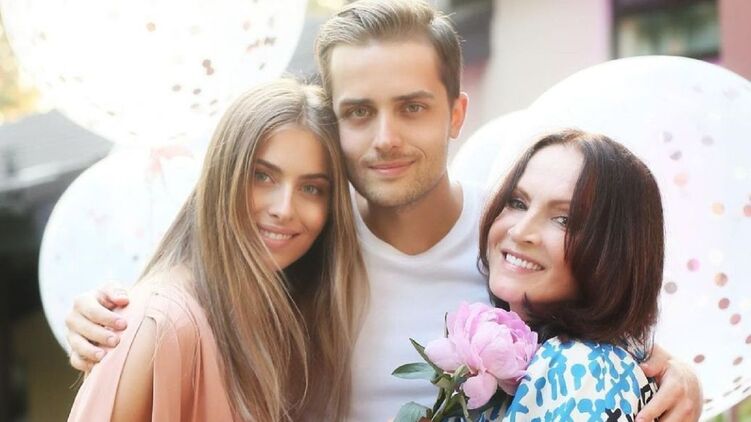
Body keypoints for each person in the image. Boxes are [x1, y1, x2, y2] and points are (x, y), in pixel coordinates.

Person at [63, 1, 702, 421]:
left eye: (412, 108)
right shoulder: (298, 239)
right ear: (332, 121)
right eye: (359, 112)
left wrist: (672, 372)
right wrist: (108, 320)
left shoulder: (506, 246)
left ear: (456, 113)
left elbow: (594, 324)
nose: (385, 138)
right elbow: (194, 292)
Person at [67, 79, 368, 422]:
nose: (285, 208)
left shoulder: (283, 323)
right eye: (263, 176)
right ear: (222, 176)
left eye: (311, 188)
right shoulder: (161, 325)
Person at [476, 129, 663, 420]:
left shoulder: (585, 369)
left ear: (616, 251)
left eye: (564, 220)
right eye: (518, 203)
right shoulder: (537, 354)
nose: (521, 231)